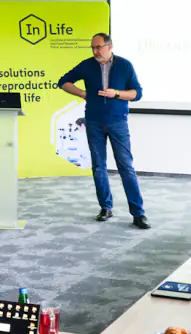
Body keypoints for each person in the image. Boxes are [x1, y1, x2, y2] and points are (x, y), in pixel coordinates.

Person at [57, 33, 149, 229]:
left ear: (110, 46)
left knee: (126, 166)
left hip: (118, 122)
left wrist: (116, 94)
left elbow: (136, 93)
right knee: (99, 166)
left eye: (98, 47)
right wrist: (82, 93)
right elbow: (63, 81)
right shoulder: (87, 65)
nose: (95, 51)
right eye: (93, 47)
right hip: (94, 122)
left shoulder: (124, 65)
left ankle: (138, 213)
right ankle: (105, 207)